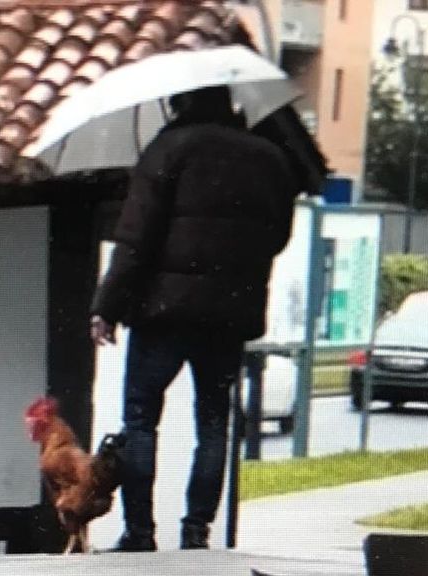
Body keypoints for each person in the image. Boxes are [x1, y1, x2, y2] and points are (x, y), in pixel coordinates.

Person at [90, 86, 297, 551]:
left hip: (164, 312)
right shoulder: (271, 159)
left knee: (141, 419)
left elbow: (135, 237)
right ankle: (196, 530)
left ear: (178, 103)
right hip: (230, 314)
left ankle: (140, 533)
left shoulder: (169, 148)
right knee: (214, 421)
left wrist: (107, 306)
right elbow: (277, 236)